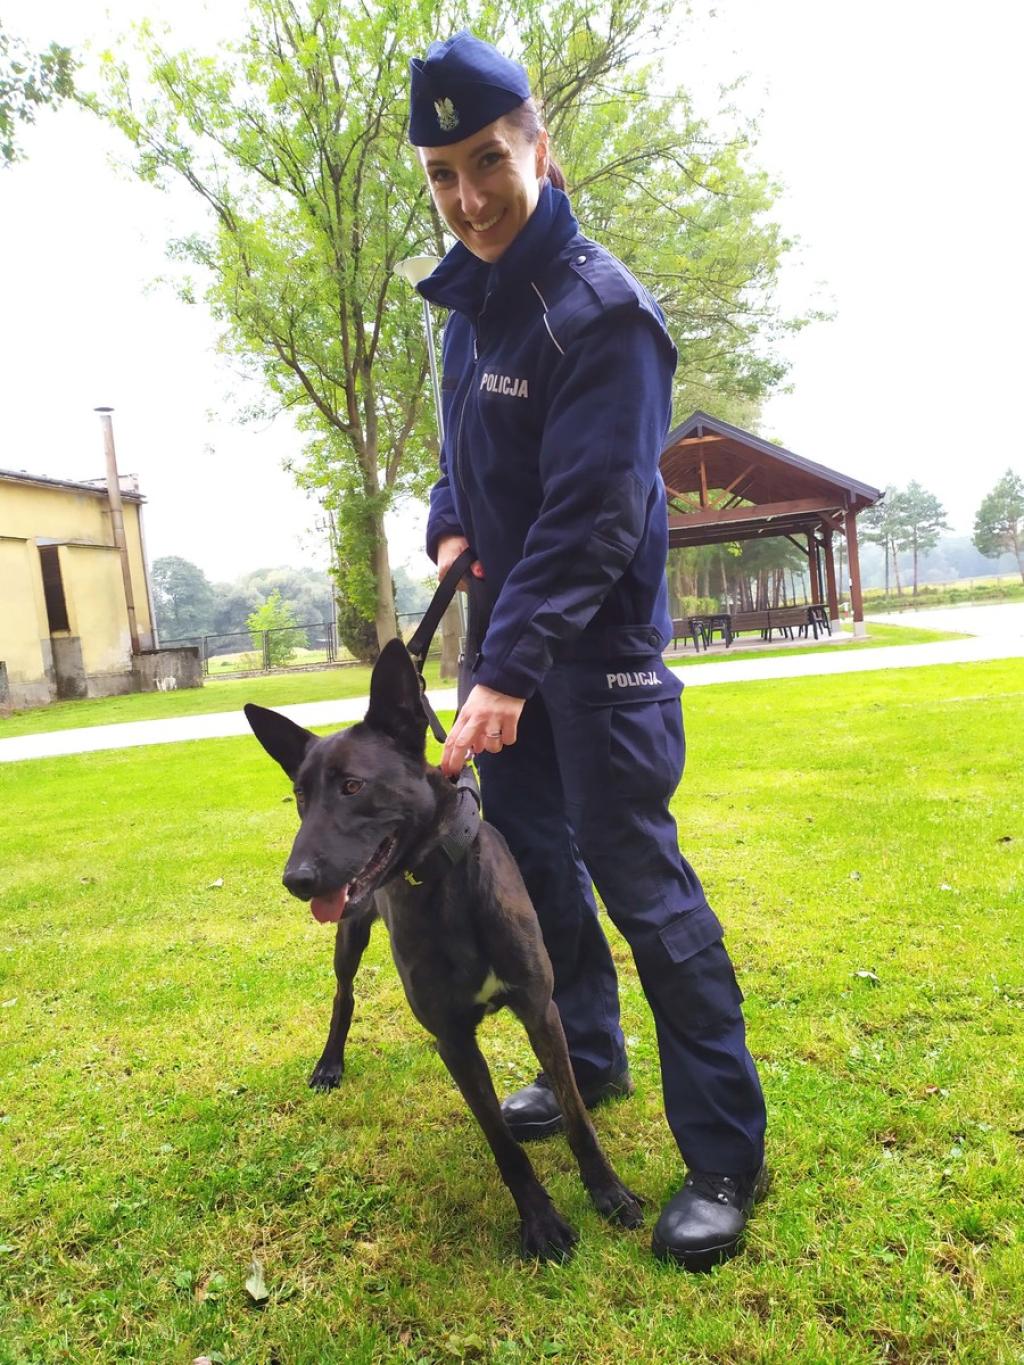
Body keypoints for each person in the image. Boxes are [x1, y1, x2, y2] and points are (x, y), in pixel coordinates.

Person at [408, 30, 768, 1271]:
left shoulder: (601, 317)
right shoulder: (468, 311)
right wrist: (449, 522)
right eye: (443, 173)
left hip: (596, 663)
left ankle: (723, 1153)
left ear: (539, 149)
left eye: (487, 161)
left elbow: (595, 515)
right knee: (539, 881)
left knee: (642, 891)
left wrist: (507, 671)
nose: (468, 197)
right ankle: (590, 1061)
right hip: (505, 650)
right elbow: (465, 461)